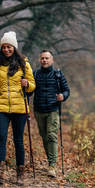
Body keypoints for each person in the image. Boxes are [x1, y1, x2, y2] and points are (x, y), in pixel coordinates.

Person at [0, 31, 35, 185]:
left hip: (19, 108)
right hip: (1, 107)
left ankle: (20, 174)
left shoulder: (24, 65)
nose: (6, 49)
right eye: (4, 47)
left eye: (9, 47)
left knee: (18, 141)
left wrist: (27, 84)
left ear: (14, 47)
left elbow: (32, 86)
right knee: (1, 137)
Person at [31, 50, 70, 178]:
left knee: (51, 135)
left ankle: (52, 165)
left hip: (53, 109)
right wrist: (25, 87)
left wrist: (62, 97)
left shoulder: (58, 74)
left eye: (47, 58)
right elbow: (29, 92)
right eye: (42, 58)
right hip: (38, 110)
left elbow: (66, 90)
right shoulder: (35, 74)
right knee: (44, 136)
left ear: (51, 60)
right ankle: (50, 161)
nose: (44, 60)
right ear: (40, 60)